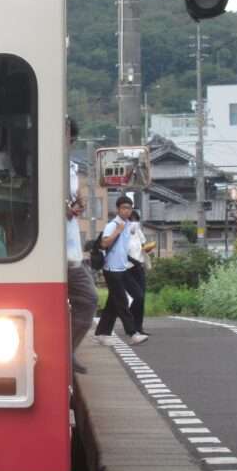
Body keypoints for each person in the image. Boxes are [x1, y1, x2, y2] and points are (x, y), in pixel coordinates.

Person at [65, 119, 98, 375]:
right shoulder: (40, 161)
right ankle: (65, 352)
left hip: (70, 248)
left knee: (87, 300)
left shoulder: (70, 166)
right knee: (87, 299)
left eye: (71, 138)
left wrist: (77, 204)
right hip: (54, 249)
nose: (69, 142)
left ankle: (66, 351)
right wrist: (65, 208)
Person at [94, 196, 149, 346]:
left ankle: (102, 333)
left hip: (123, 268)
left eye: (129, 208)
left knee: (135, 296)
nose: (127, 211)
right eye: (124, 208)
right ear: (118, 209)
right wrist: (117, 231)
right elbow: (104, 244)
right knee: (122, 301)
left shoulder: (129, 225)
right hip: (112, 269)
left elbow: (133, 240)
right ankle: (132, 334)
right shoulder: (112, 225)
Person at [126, 209, 151, 336]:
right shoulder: (123, 231)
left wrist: (148, 248)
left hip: (139, 267)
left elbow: (143, 245)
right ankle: (130, 325)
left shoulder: (138, 231)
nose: (134, 222)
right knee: (134, 297)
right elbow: (121, 252)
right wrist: (134, 261)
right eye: (131, 219)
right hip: (127, 268)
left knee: (141, 297)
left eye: (136, 219)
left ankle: (138, 326)